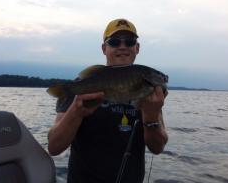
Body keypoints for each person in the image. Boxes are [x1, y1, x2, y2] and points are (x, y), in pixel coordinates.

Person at [48, 18, 168, 183]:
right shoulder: (79, 88)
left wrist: (152, 115)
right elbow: (54, 147)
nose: (123, 46)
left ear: (137, 48)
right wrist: (75, 112)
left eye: (130, 41)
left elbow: (157, 148)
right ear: (104, 48)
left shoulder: (150, 94)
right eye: (114, 42)